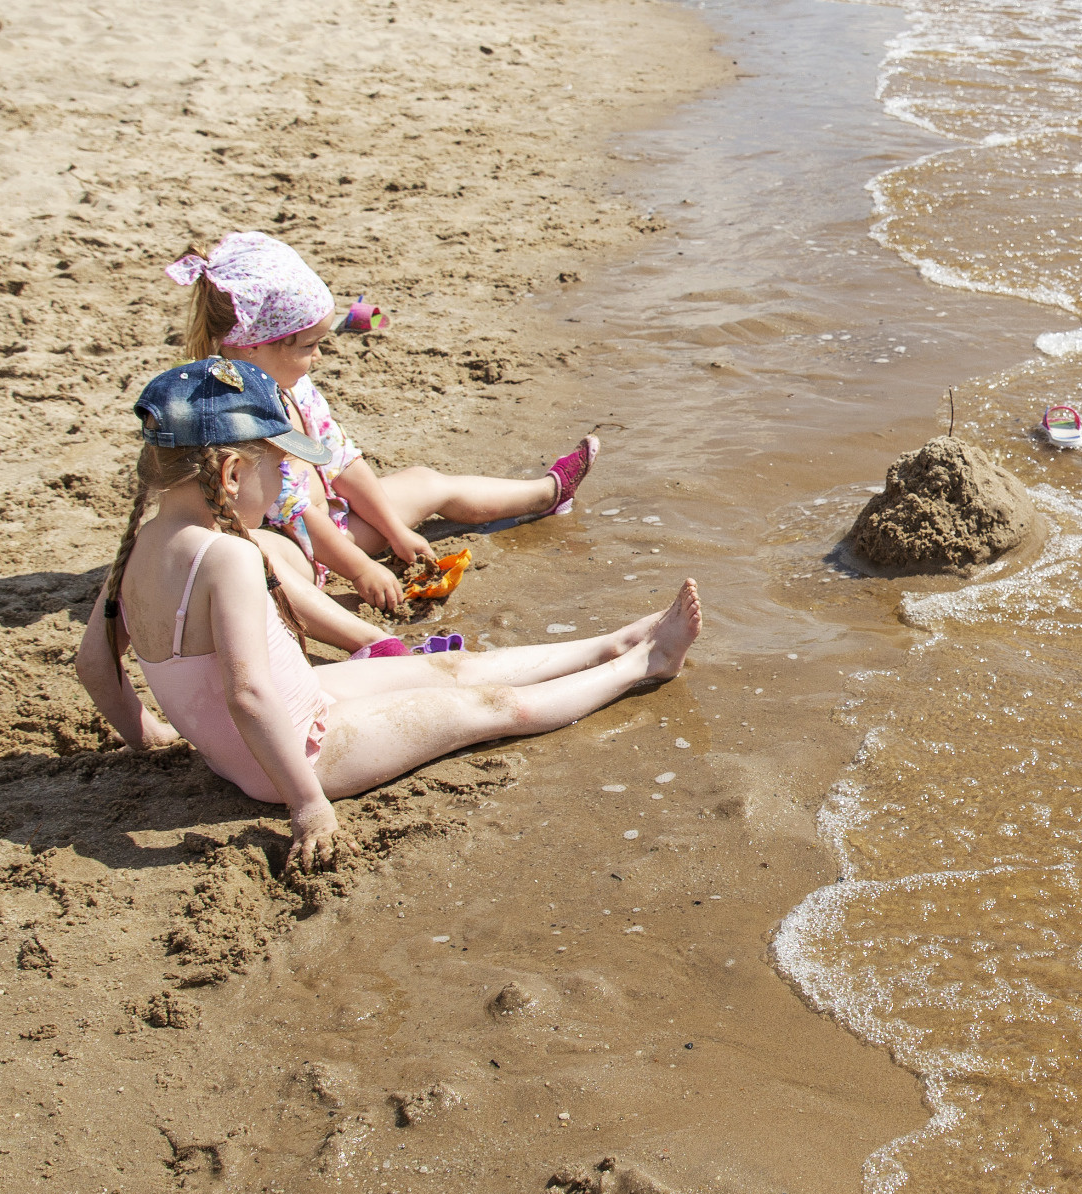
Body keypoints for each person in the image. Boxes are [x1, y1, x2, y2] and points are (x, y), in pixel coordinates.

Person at [76, 359, 699, 874]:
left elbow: (95, 667)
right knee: (484, 709)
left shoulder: (136, 551)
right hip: (302, 751)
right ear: (234, 472)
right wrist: (307, 804)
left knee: (451, 667)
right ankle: (646, 662)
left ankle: (614, 641)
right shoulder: (227, 558)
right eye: (280, 464)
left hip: (278, 722)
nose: (288, 478)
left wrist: (156, 737)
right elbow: (247, 693)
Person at [168, 234, 606, 608]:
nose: (318, 356)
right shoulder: (237, 414)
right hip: (297, 544)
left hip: (335, 518)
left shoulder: (291, 385)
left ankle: (547, 493)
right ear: (253, 348)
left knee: (427, 481)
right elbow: (292, 509)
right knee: (258, 556)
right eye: (308, 346)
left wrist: (395, 531)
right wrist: (360, 569)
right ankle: (335, 620)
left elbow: (340, 462)